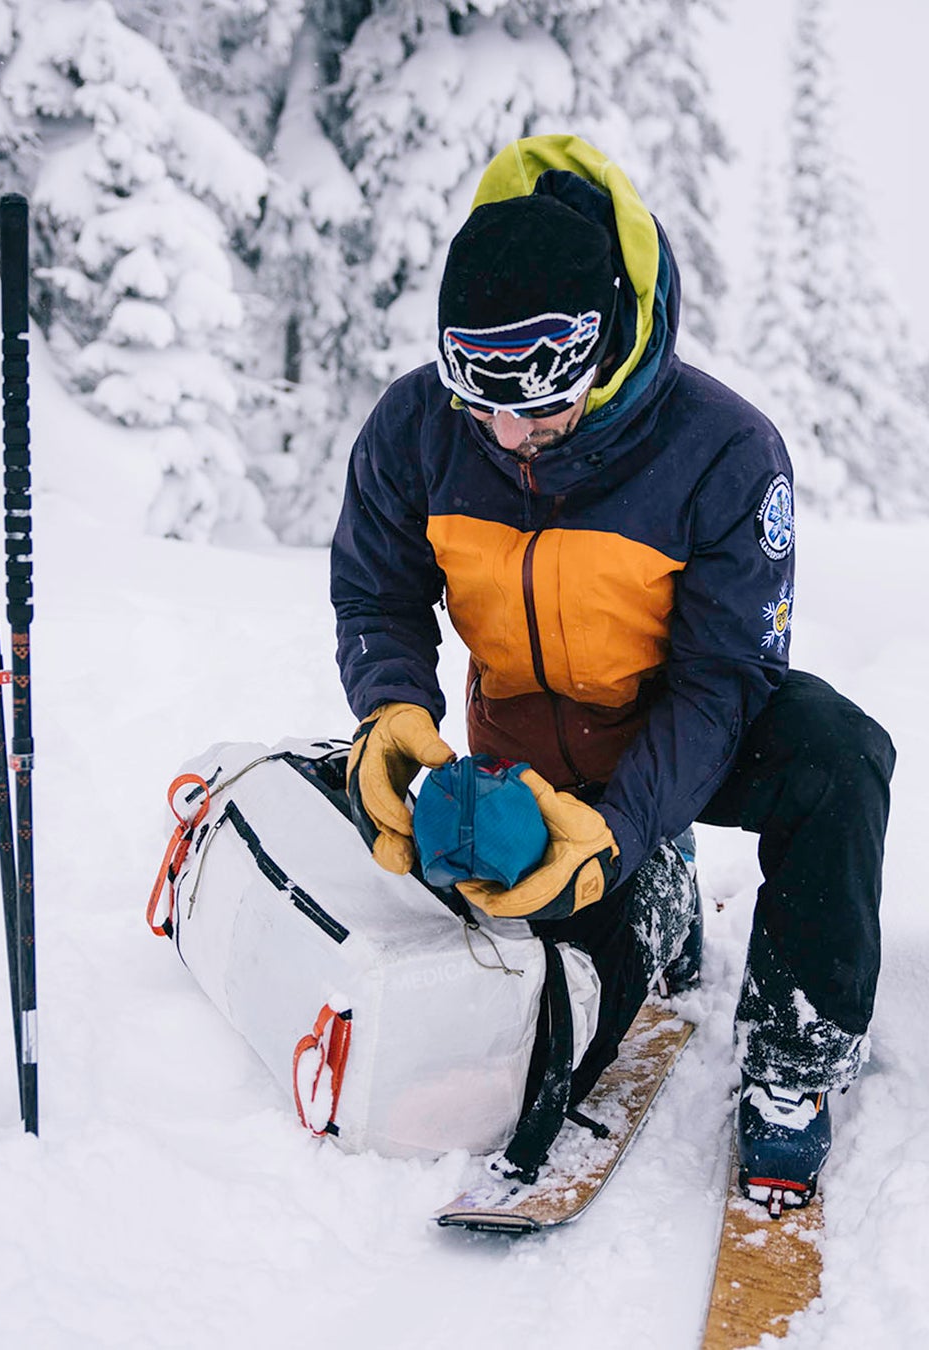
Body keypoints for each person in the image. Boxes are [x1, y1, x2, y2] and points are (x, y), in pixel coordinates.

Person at [330, 135, 895, 1206]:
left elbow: (722, 679)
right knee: (565, 1025)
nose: (507, 427)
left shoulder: (723, 452)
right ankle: (653, 906)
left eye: (538, 391)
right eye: (477, 390)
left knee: (839, 754)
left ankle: (796, 1057)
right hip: (528, 753)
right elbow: (377, 593)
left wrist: (624, 825)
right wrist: (392, 711)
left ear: (608, 339)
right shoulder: (418, 430)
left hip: (681, 736)